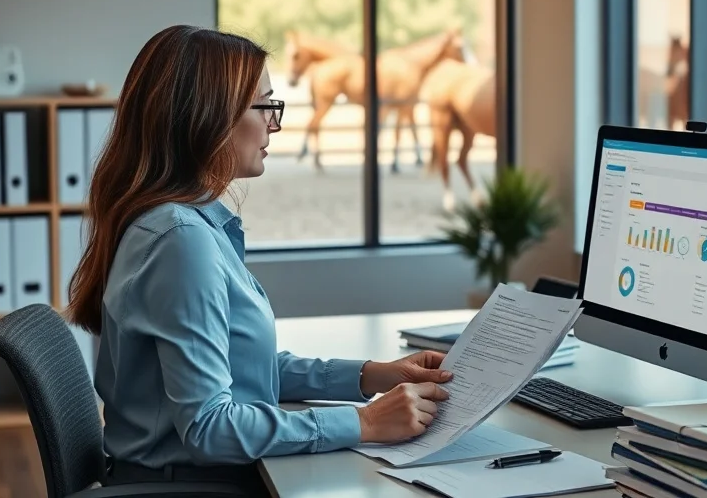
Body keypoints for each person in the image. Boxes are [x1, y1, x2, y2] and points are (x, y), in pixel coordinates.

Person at [65, 25, 451, 494]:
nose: (275, 124)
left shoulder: (181, 223)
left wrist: (371, 375)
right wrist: (364, 423)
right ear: (207, 117)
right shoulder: (180, 240)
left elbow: (241, 368)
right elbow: (209, 428)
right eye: (264, 105)